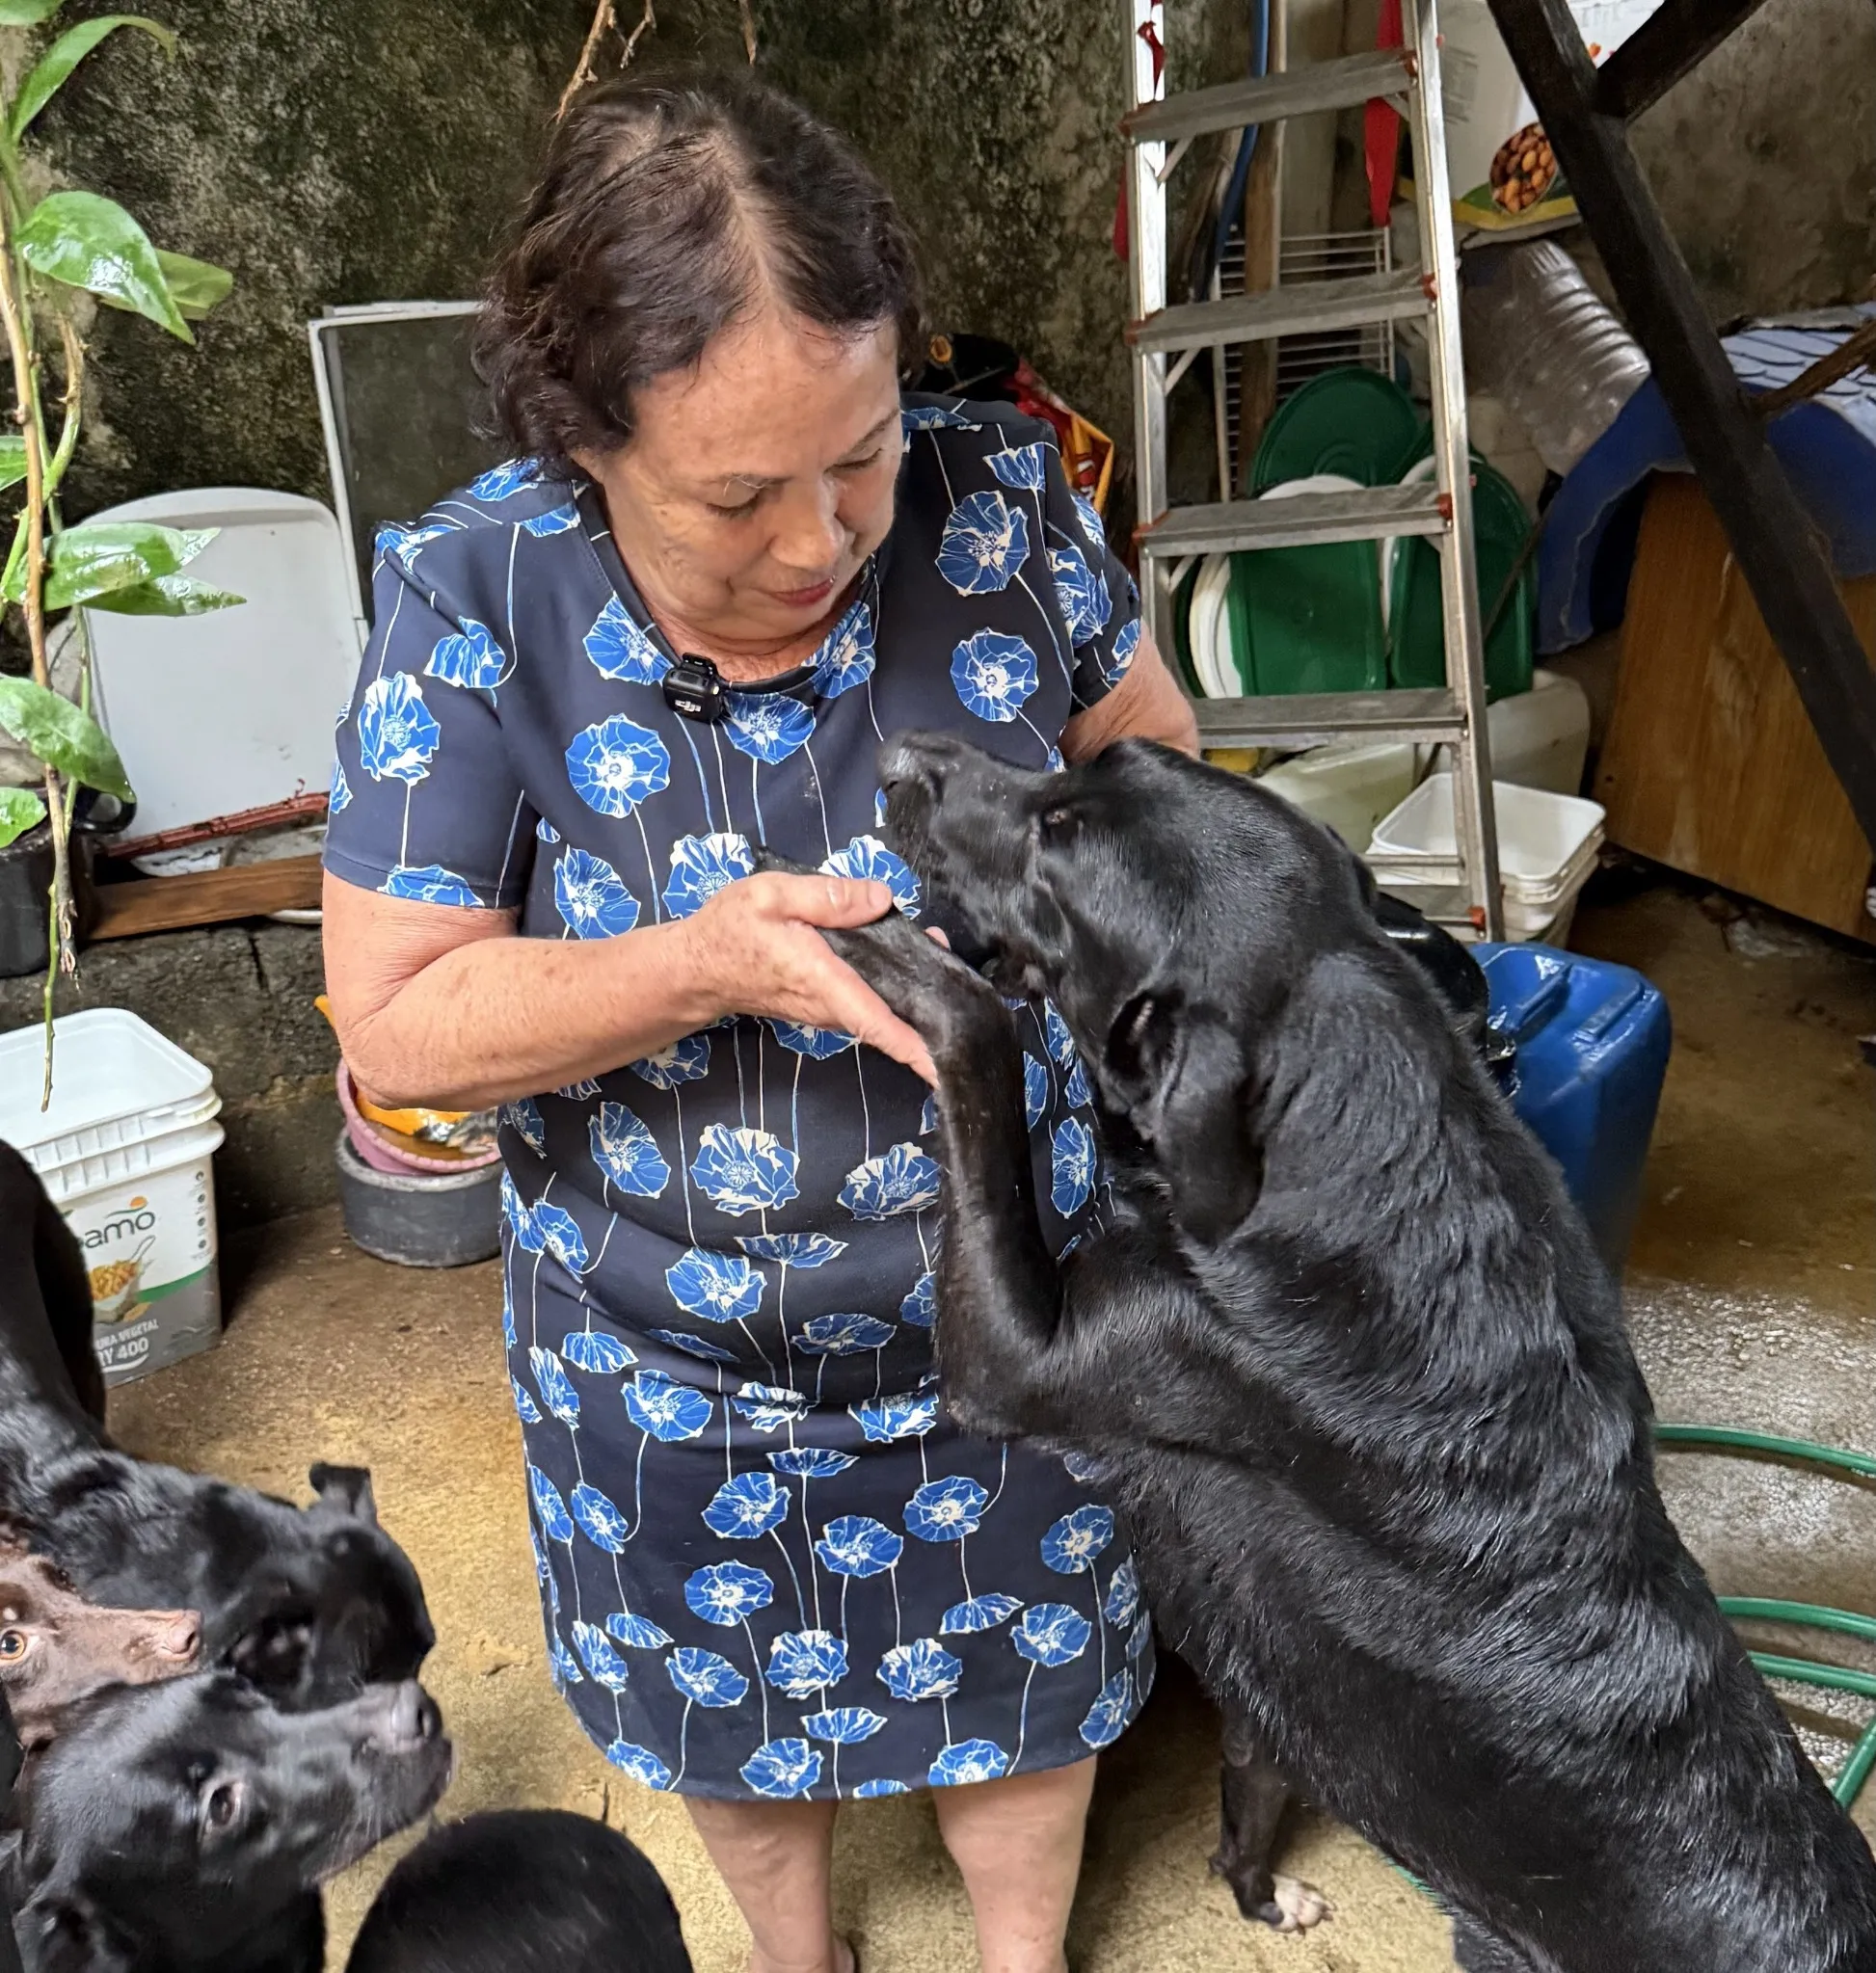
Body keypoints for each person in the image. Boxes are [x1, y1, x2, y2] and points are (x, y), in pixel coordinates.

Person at [320, 70, 1197, 1973]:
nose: (824, 543)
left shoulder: (1004, 502)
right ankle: (800, 1960)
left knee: (1031, 1678)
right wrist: (697, 963)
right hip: (669, 1358)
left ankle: (1019, 1954)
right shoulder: (474, 590)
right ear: (585, 443)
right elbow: (395, 1023)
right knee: (724, 1704)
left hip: (1031, 1304)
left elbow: (1167, 787)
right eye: (735, 495)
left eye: (863, 455)